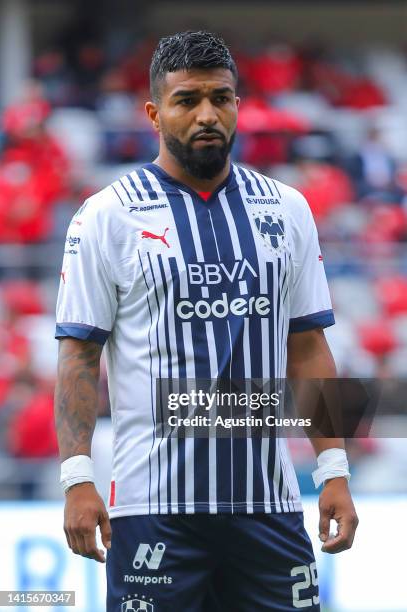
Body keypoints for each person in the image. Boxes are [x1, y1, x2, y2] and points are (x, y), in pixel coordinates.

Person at [54, 31, 358, 612]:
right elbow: (78, 355)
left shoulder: (286, 209)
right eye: (187, 100)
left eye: (221, 98)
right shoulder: (106, 216)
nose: (206, 115)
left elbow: (309, 347)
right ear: (153, 112)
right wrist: (76, 478)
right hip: (153, 511)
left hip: (268, 504)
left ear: (239, 104)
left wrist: (335, 469)